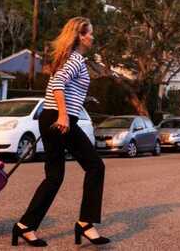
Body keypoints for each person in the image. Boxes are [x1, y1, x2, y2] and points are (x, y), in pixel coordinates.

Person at [12, 17, 109, 247]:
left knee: (54, 177)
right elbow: (57, 85)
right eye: (90, 33)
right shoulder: (74, 59)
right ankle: (85, 223)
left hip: (52, 118)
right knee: (95, 166)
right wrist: (64, 115)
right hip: (60, 119)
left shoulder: (69, 59)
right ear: (80, 36)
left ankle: (25, 226)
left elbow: (62, 86)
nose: (93, 37)